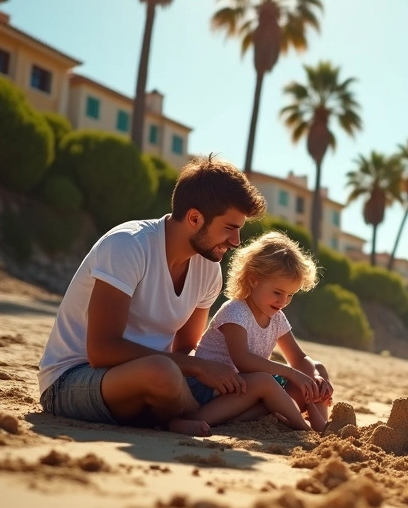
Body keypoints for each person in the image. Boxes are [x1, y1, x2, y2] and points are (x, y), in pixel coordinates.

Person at [38, 154, 266, 435]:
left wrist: (207, 371)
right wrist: (198, 368)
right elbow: (102, 351)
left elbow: (183, 349)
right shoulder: (128, 245)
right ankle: (200, 415)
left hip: (153, 380)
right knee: (163, 372)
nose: (235, 242)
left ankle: (186, 413)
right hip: (72, 379)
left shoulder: (209, 270)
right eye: (229, 228)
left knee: (255, 380)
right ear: (195, 218)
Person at [188, 231, 333, 431]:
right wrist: (290, 373)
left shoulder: (276, 317)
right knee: (265, 382)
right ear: (254, 280)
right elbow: (243, 361)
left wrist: (314, 377)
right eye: (277, 292)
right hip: (212, 388)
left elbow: (298, 358)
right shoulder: (235, 311)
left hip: (245, 388)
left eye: (290, 295)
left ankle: (321, 424)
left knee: (317, 369)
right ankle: (304, 429)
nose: (283, 302)